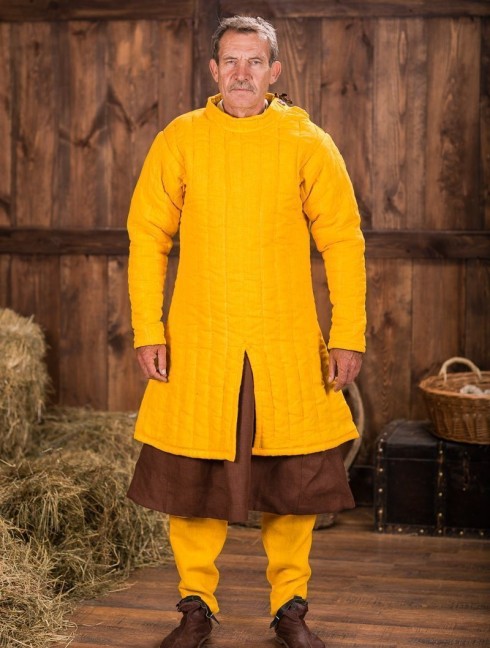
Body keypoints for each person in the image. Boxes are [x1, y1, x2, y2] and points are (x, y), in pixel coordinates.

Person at [126, 15, 366, 648]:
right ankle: (195, 606)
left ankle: (290, 608)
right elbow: (148, 236)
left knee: (291, 481)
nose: (241, 73)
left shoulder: (307, 141)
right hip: (200, 340)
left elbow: (343, 240)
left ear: (274, 71)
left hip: (283, 340)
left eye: (254, 61)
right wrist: (148, 327)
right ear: (213, 71)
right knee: (193, 478)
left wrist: (348, 334)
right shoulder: (180, 139)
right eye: (230, 61)